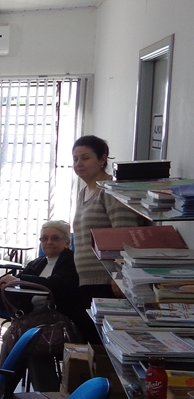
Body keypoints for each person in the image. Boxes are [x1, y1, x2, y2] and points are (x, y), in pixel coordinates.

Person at [71, 135, 141, 344]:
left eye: (85, 158)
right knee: (89, 339)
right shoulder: (84, 192)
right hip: (87, 280)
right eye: (75, 159)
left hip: (108, 282)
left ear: (102, 159)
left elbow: (125, 234)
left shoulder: (111, 189)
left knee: (105, 343)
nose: (79, 164)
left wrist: (120, 276)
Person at [0, 220, 79, 391]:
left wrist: (20, 280)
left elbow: (55, 285)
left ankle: (2, 391)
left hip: (61, 321)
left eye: (55, 238)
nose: (49, 242)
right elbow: (19, 289)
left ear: (67, 242)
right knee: (23, 339)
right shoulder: (37, 263)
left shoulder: (72, 262)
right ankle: (10, 392)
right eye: (44, 238)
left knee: (28, 341)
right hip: (33, 319)